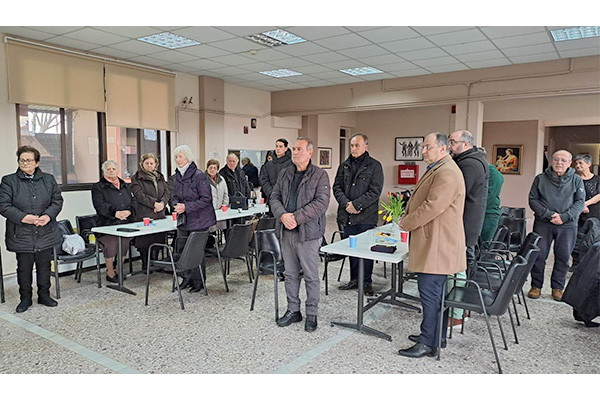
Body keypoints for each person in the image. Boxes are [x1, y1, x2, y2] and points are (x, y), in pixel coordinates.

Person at [397, 133, 466, 358]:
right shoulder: (439, 168)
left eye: (428, 147)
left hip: (437, 245)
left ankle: (428, 342)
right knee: (435, 294)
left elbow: (431, 207)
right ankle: (436, 336)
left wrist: (406, 223)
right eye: (423, 147)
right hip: (435, 241)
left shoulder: (447, 172)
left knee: (430, 294)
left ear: (443, 148)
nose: (423, 151)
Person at [270, 137, 330, 332]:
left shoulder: (320, 175)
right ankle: (293, 310)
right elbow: (274, 197)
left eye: (299, 149)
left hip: (308, 234)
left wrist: (296, 217)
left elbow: (321, 203)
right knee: (290, 274)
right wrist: (282, 215)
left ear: (310, 152)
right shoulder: (285, 173)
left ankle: (311, 313)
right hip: (286, 232)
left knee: (311, 276)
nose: (295, 152)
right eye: (294, 149)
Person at [0, 146, 64, 313]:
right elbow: (3, 205)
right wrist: (24, 218)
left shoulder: (48, 179)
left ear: (37, 162)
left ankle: (44, 295)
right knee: (24, 268)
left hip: (45, 231)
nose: (25, 163)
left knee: (44, 266)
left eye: (28, 160)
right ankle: (25, 298)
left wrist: (47, 216)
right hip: (21, 233)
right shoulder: (9, 181)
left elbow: (57, 201)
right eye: (21, 160)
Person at [528, 150, 585, 301]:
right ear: (551, 161)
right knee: (538, 255)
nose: (559, 163)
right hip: (543, 223)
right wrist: (548, 215)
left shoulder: (576, 180)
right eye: (556, 159)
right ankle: (536, 286)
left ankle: (558, 288)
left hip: (567, 225)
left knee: (563, 257)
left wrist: (564, 217)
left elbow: (580, 202)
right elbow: (533, 200)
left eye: (563, 160)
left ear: (569, 163)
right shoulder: (540, 178)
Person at [333, 133, 383, 296]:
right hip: (346, 216)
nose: (354, 148)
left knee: (366, 251)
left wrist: (356, 205)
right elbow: (337, 187)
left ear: (365, 146)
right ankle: (354, 279)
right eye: (352, 145)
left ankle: (366, 282)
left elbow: (375, 191)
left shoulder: (375, 166)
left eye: (357, 145)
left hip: (365, 217)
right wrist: (347, 204)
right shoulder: (344, 166)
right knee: (352, 250)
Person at [448, 129, 488, 326]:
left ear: (465, 144)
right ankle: (458, 309)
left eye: (452, 142)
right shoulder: (472, 160)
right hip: (466, 223)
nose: (449, 146)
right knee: (459, 268)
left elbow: (455, 194)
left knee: (456, 270)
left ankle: (456, 314)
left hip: (463, 224)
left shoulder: (470, 164)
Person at [172, 145, 216, 292]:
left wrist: (186, 207)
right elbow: (174, 196)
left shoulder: (199, 175)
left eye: (180, 157)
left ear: (188, 158)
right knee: (182, 250)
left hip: (199, 220)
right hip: (184, 219)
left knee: (196, 252)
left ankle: (199, 282)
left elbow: (206, 199)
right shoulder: (177, 176)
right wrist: (176, 205)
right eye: (176, 157)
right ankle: (186, 278)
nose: (178, 159)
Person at [92, 160, 136, 283]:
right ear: (103, 171)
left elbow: (133, 201)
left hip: (124, 222)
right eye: (108, 169)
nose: (111, 171)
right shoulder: (98, 187)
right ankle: (110, 272)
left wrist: (129, 211)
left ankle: (119, 270)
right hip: (106, 225)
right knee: (111, 242)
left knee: (124, 242)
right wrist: (115, 213)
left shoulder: (125, 185)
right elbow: (99, 205)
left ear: (118, 171)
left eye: (113, 169)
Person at [130, 153, 170, 272]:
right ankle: (146, 265)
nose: (149, 165)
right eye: (146, 163)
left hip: (159, 213)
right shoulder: (136, 178)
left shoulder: (160, 176)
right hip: (145, 213)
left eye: (151, 163)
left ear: (156, 164)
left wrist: (162, 203)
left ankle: (155, 263)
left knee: (158, 239)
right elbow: (139, 195)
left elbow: (167, 192)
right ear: (141, 164)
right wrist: (154, 204)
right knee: (145, 241)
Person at [478, 147, 504, 242]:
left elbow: (489, 196)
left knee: (483, 245)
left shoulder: (494, 174)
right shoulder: (479, 172)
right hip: (479, 213)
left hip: (488, 214)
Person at [259, 138, 293, 205]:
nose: (278, 149)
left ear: (286, 148)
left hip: (286, 201)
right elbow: (263, 180)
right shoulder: (268, 165)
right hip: (271, 199)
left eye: (280, 146)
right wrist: (271, 193)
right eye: (276, 146)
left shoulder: (292, 164)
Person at [573, 154, 600, 229]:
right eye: (576, 163)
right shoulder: (574, 180)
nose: (577, 165)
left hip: (595, 214)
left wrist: (584, 204)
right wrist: (580, 206)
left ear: (589, 164)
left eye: (580, 163)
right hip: (578, 215)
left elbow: (599, 195)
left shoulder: (598, 179)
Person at [206, 159, 229, 232]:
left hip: (220, 211)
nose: (212, 170)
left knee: (221, 230)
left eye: (214, 168)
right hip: (208, 212)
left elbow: (225, 194)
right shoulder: (202, 179)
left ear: (217, 170)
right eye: (210, 168)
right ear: (207, 168)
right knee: (210, 232)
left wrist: (224, 205)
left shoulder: (221, 179)